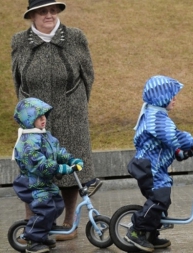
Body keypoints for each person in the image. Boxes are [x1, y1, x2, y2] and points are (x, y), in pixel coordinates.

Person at [11, 0, 102, 241]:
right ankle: (33, 225)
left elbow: (88, 76)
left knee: (71, 168)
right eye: (42, 11)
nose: (49, 15)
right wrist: (28, 112)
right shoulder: (19, 41)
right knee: (33, 168)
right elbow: (17, 80)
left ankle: (69, 223)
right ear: (32, 15)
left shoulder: (75, 37)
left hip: (71, 113)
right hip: (33, 119)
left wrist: (76, 105)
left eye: (53, 10)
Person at [125, 75, 193, 252]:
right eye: (171, 95)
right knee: (159, 199)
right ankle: (136, 231)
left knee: (162, 199)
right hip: (148, 167)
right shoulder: (156, 118)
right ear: (161, 97)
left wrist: (183, 152)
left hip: (155, 167)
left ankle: (151, 235)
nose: (175, 99)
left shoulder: (158, 115)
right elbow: (173, 136)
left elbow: (168, 144)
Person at [11, 98, 83, 253]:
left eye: (44, 115)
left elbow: (58, 151)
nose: (44, 119)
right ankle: (33, 239)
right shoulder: (28, 142)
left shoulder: (45, 136)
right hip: (32, 183)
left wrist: (70, 159)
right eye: (39, 116)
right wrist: (61, 169)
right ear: (28, 120)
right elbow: (40, 165)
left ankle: (44, 232)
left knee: (57, 204)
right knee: (45, 208)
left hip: (43, 183)